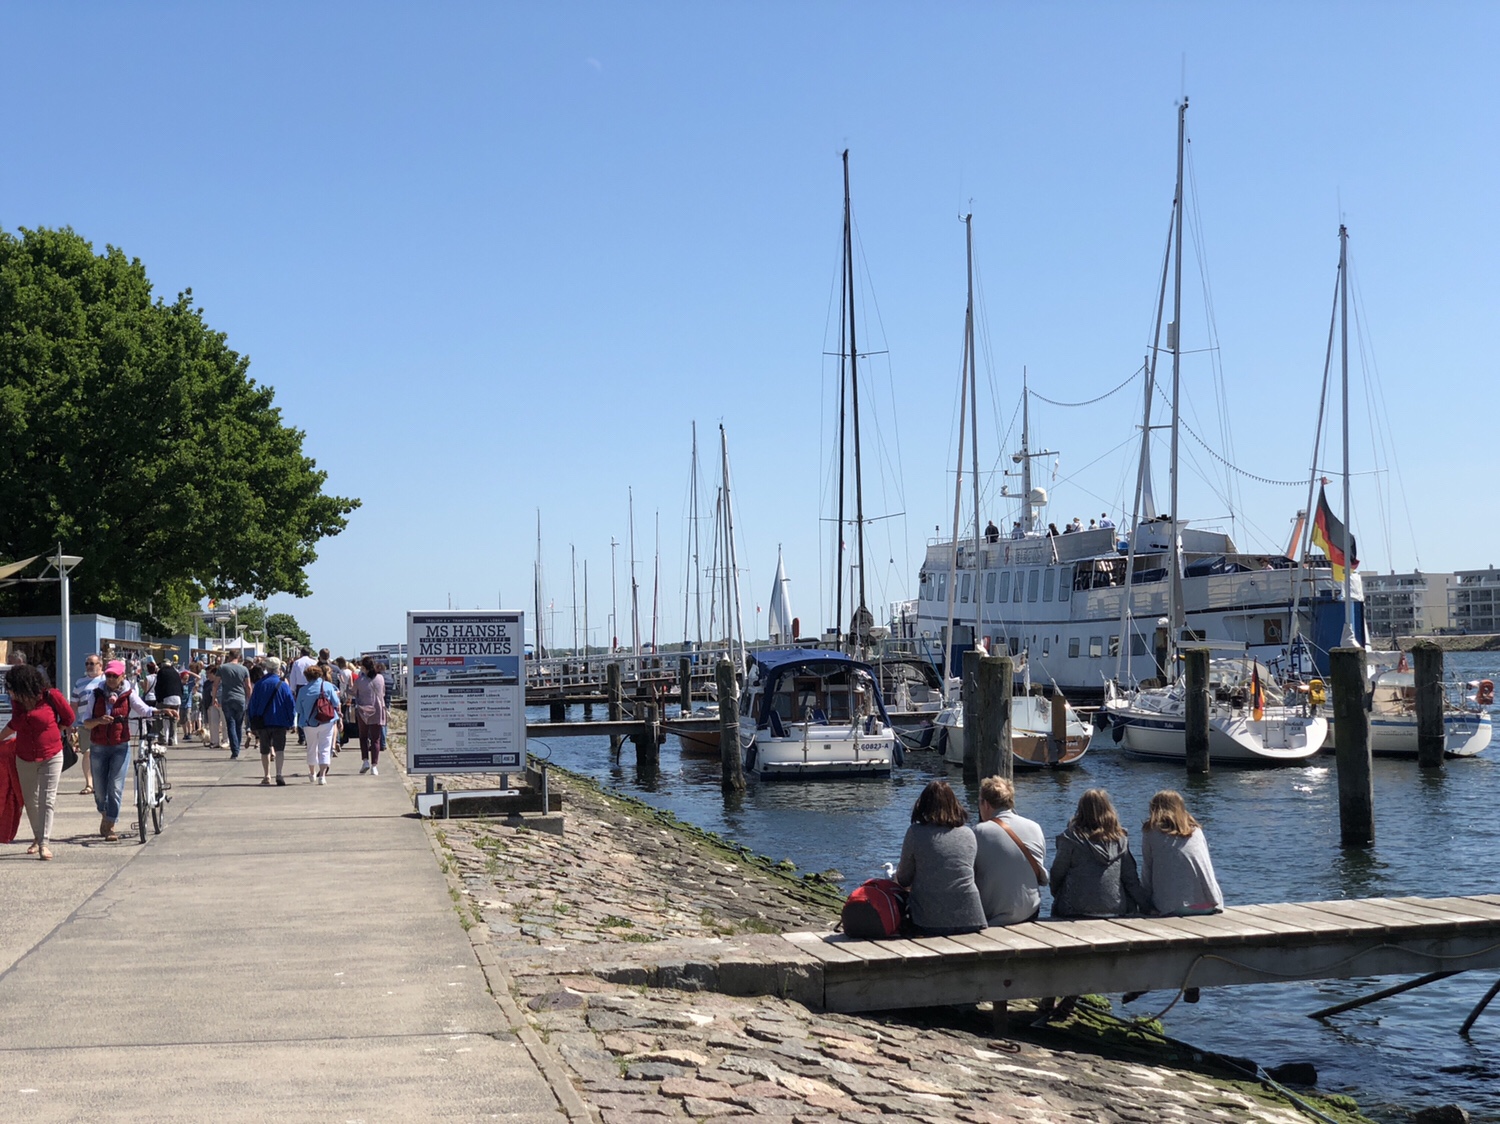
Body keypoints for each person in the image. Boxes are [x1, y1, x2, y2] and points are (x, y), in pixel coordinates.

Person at [0, 664, 75, 860]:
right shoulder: (18, 702)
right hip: (24, 755)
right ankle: (37, 836)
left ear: (23, 684)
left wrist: (55, 730)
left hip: (51, 754)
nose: (9, 691)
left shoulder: (51, 696)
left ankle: (44, 843)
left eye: (11, 687)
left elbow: (69, 717)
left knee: (46, 799)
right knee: (31, 801)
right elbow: (15, 724)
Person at [81, 660, 162, 841]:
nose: (110, 679)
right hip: (99, 745)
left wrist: (160, 711)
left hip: (120, 746)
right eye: (108, 675)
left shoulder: (128, 693)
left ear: (122, 677)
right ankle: (104, 813)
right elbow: (86, 722)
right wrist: (99, 720)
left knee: (116, 787)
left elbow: (143, 709)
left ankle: (110, 824)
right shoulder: (96, 694)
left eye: (114, 676)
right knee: (100, 790)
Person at [894, 780, 985, 937]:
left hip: (928, 921)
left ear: (922, 805)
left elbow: (904, 879)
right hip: (971, 918)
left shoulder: (915, 832)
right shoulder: (968, 834)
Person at [1049, 788, 1150, 918]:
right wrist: (1147, 907)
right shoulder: (1120, 840)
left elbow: (1057, 873)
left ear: (1081, 810)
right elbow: (1131, 880)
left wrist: (1056, 894)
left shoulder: (1070, 838)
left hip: (1075, 909)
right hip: (1115, 908)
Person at [972, 776, 1048, 926]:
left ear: (986, 804)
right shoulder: (1035, 827)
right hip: (1030, 911)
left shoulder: (978, 832)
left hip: (994, 917)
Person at [1140, 790, 1223, 915]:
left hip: (1172, 907)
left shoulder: (1151, 832)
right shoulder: (1196, 831)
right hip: (1210, 904)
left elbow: (1147, 870)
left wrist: (1144, 904)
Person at [248, 657, 296, 786]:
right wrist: (291, 721)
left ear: (266, 668)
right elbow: (290, 704)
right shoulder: (283, 685)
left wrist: (252, 721)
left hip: (263, 722)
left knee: (265, 749)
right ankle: (279, 774)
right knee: (279, 749)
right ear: (278, 669)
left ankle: (267, 775)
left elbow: (252, 704)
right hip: (280, 721)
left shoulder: (259, 684)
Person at [295, 665, 341, 784]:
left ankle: (312, 773)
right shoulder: (328, 686)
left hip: (308, 723)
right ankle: (323, 776)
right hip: (326, 721)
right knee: (325, 748)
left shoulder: (303, 690)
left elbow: (298, 709)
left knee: (311, 748)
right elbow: (336, 703)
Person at [72, 653, 104, 796]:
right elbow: (73, 704)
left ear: (100, 665)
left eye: (92, 663)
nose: (89, 666)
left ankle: (101, 783)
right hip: (84, 724)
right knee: (88, 753)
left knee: (103, 753)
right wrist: (71, 723)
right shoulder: (80, 682)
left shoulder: (106, 680)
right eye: (87, 664)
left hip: (103, 723)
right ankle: (89, 784)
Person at [354, 656, 387, 775]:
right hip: (377, 710)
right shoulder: (380, 678)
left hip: (363, 711)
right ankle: (374, 766)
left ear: (363, 667)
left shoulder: (359, 680)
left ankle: (365, 761)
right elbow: (383, 693)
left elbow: (353, 693)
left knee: (363, 737)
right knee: (376, 739)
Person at [216, 650, 250, 759]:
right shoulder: (244, 669)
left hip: (227, 698)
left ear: (229, 656)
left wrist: (213, 698)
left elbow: (215, 685)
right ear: (239, 657)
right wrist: (250, 699)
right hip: (240, 699)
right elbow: (248, 686)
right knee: (239, 725)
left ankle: (235, 749)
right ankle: (237, 747)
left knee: (230, 724)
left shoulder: (222, 668)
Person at [287, 647, 316, 745]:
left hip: (300, 687)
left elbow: (293, 676)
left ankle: (302, 737)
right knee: (312, 709)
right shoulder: (313, 662)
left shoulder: (297, 663)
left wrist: (293, 690)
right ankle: (310, 735)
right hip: (312, 685)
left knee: (300, 711)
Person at [154, 658, 184, 745]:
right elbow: (180, 686)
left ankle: (162, 738)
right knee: (173, 718)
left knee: (158, 715)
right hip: (177, 698)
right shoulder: (176, 672)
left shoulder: (161, 672)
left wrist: (158, 699)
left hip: (166, 698)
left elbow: (158, 687)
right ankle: (171, 738)